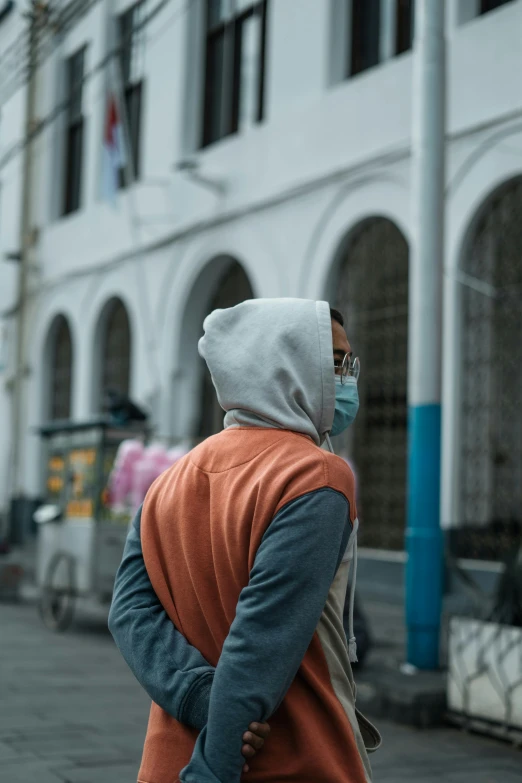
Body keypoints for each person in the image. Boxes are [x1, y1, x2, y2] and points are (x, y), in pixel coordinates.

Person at [109, 298, 381, 783]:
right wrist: (213, 767)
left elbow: (129, 611)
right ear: (288, 361)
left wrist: (197, 696)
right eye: (338, 362)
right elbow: (257, 645)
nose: (349, 379)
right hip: (283, 758)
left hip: (168, 758)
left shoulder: (170, 480)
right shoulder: (315, 476)